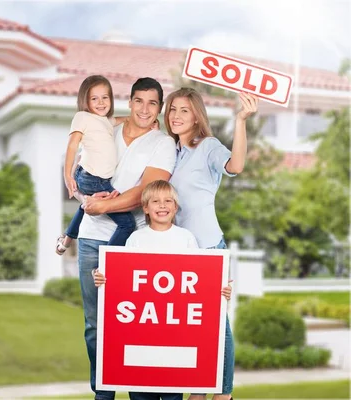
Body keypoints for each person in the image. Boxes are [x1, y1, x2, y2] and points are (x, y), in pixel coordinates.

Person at [76, 77, 176, 400]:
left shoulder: (163, 144)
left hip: (131, 241)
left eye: (152, 103)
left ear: (159, 109)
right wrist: (86, 200)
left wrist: (102, 205)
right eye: (139, 101)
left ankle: (138, 391)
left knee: (130, 324)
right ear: (129, 102)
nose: (144, 109)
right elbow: (84, 171)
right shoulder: (108, 131)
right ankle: (102, 395)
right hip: (91, 238)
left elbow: (144, 192)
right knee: (94, 325)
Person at [92, 180, 233, 400]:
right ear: (145, 208)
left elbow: (198, 281)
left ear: (176, 207)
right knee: (140, 392)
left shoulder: (186, 238)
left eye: (168, 201)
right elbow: (122, 279)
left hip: (175, 340)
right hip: (141, 337)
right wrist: (103, 278)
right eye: (155, 201)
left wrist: (219, 292)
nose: (162, 205)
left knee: (172, 393)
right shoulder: (136, 239)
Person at [165, 87, 258, 400]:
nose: (176, 116)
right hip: (179, 252)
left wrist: (241, 120)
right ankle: (199, 390)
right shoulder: (171, 152)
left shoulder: (207, 146)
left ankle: (222, 393)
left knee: (217, 324)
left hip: (207, 248)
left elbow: (235, 166)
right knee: (191, 325)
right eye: (173, 109)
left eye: (185, 110)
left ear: (196, 117)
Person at [56, 75, 136, 256]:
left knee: (86, 206)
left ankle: (65, 240)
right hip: (93, 178)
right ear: (86, 101)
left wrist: (137, 119)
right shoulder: (82, 117)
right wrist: (67, 175)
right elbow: (72, 145)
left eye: (105, 97)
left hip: (94, 177)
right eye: (94, 98)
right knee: (127, 223)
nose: (101, 103)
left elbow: (119, 120)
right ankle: (106, 265)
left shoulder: (106, 121)